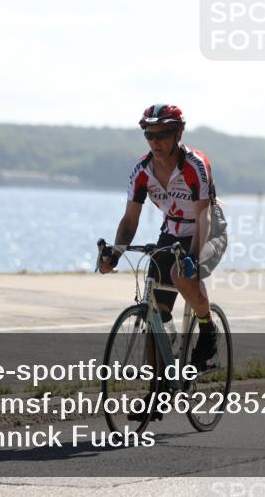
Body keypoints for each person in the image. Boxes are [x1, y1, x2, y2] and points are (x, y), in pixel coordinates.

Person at [99, 104, 226, 378]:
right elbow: (130, 221)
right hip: (172, 231)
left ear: (178, 133)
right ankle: (159, 387)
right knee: (156, 305)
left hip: (208, 230)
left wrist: (193, 256)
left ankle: (207, 332)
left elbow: (203, 214)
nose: (155, 141)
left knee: (180, 273)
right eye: (149, 135)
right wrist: (115, 254)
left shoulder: (195, 165)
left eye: (163, 134)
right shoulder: (142, 171)